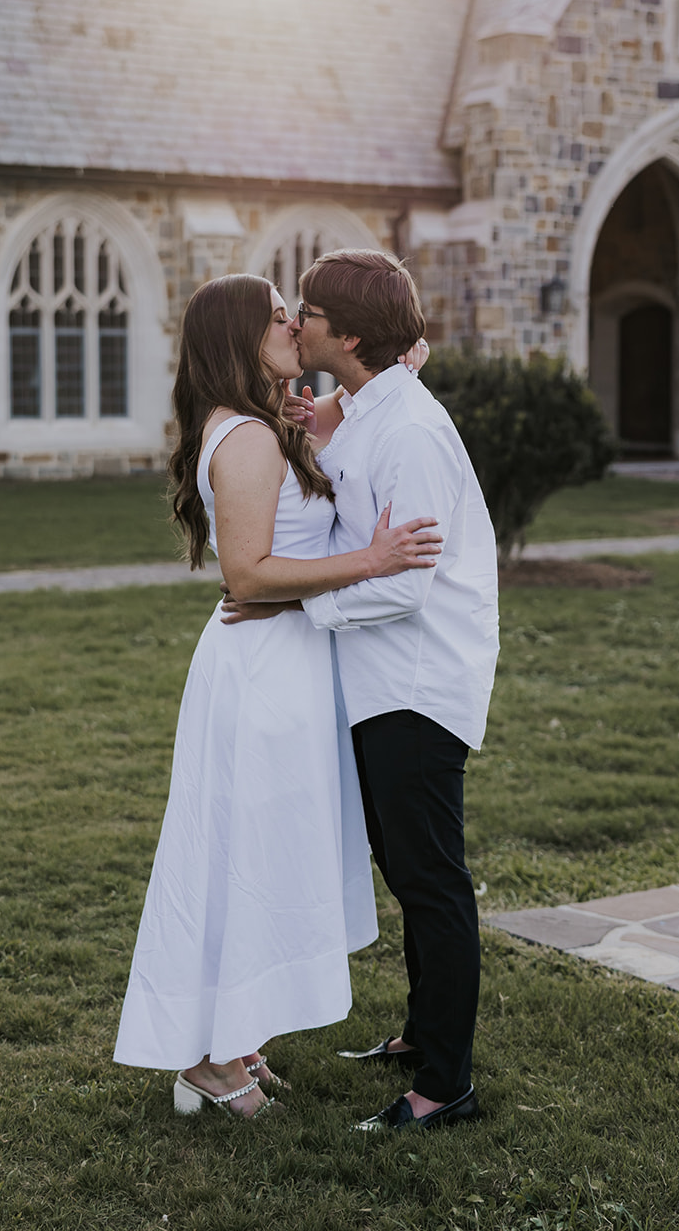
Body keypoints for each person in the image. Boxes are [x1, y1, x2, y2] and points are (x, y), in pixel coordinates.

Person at [113, 272, 442, 1119]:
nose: (293, 324)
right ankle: (209, 1064)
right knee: (242, 860)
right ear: (238, 339)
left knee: (261, 858)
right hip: (261, 672)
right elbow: (247, 573)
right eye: (275, 317)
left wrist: (395, 367)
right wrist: (371, 561)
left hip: (287, 662)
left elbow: (267, 572)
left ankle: (237, 1040)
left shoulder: (268, 425)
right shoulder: (251, 441)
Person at [223, 250, 499, 1132]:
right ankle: (421, 1035)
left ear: (345, 335)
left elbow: (407, 581)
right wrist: (316, 428)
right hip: (376, 678)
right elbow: (349, 499)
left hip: (416, 682)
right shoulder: (370, 408)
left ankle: (444, 1084)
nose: (292, 321)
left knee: (431, 880)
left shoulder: (410, 429)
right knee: (407, 871)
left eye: (304, 311)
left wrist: (295, 602)